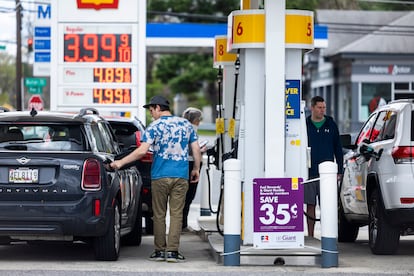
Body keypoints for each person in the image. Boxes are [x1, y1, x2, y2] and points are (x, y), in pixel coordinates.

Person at [110, 95, 201, 262]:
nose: (151, 114)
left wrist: (120, 163)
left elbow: (141, 152)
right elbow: (195, 148)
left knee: (159, 214)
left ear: (158, 108)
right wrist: (196, 168)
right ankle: (173, 252)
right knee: (176, 214)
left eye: (152, 110)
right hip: (181, 176)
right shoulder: (186, 125)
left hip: (160, 176)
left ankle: (160, 251)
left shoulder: (154, 127)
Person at [305, 96, 343, 237]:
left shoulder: (331, 124)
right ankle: (310, 235)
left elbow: (338, 148)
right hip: (309, 172)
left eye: (324, 107)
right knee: (310, 205)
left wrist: (339, 170)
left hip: (327, 174)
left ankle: (327, 235)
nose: (322, 110)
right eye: (319, 107)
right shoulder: (305, 124)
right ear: (312, 108)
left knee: (327, 206)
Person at [181, 107, 207, 232]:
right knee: (189, 195)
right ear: (195, 120)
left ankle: (182, 223)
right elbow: (193, 149)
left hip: (182, 164)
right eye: (199, 119)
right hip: (191, 164)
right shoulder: (192, 130)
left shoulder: (181, 128)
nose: (199, 122)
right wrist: (200, 150)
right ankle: (183, 224)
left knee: (183, 195)